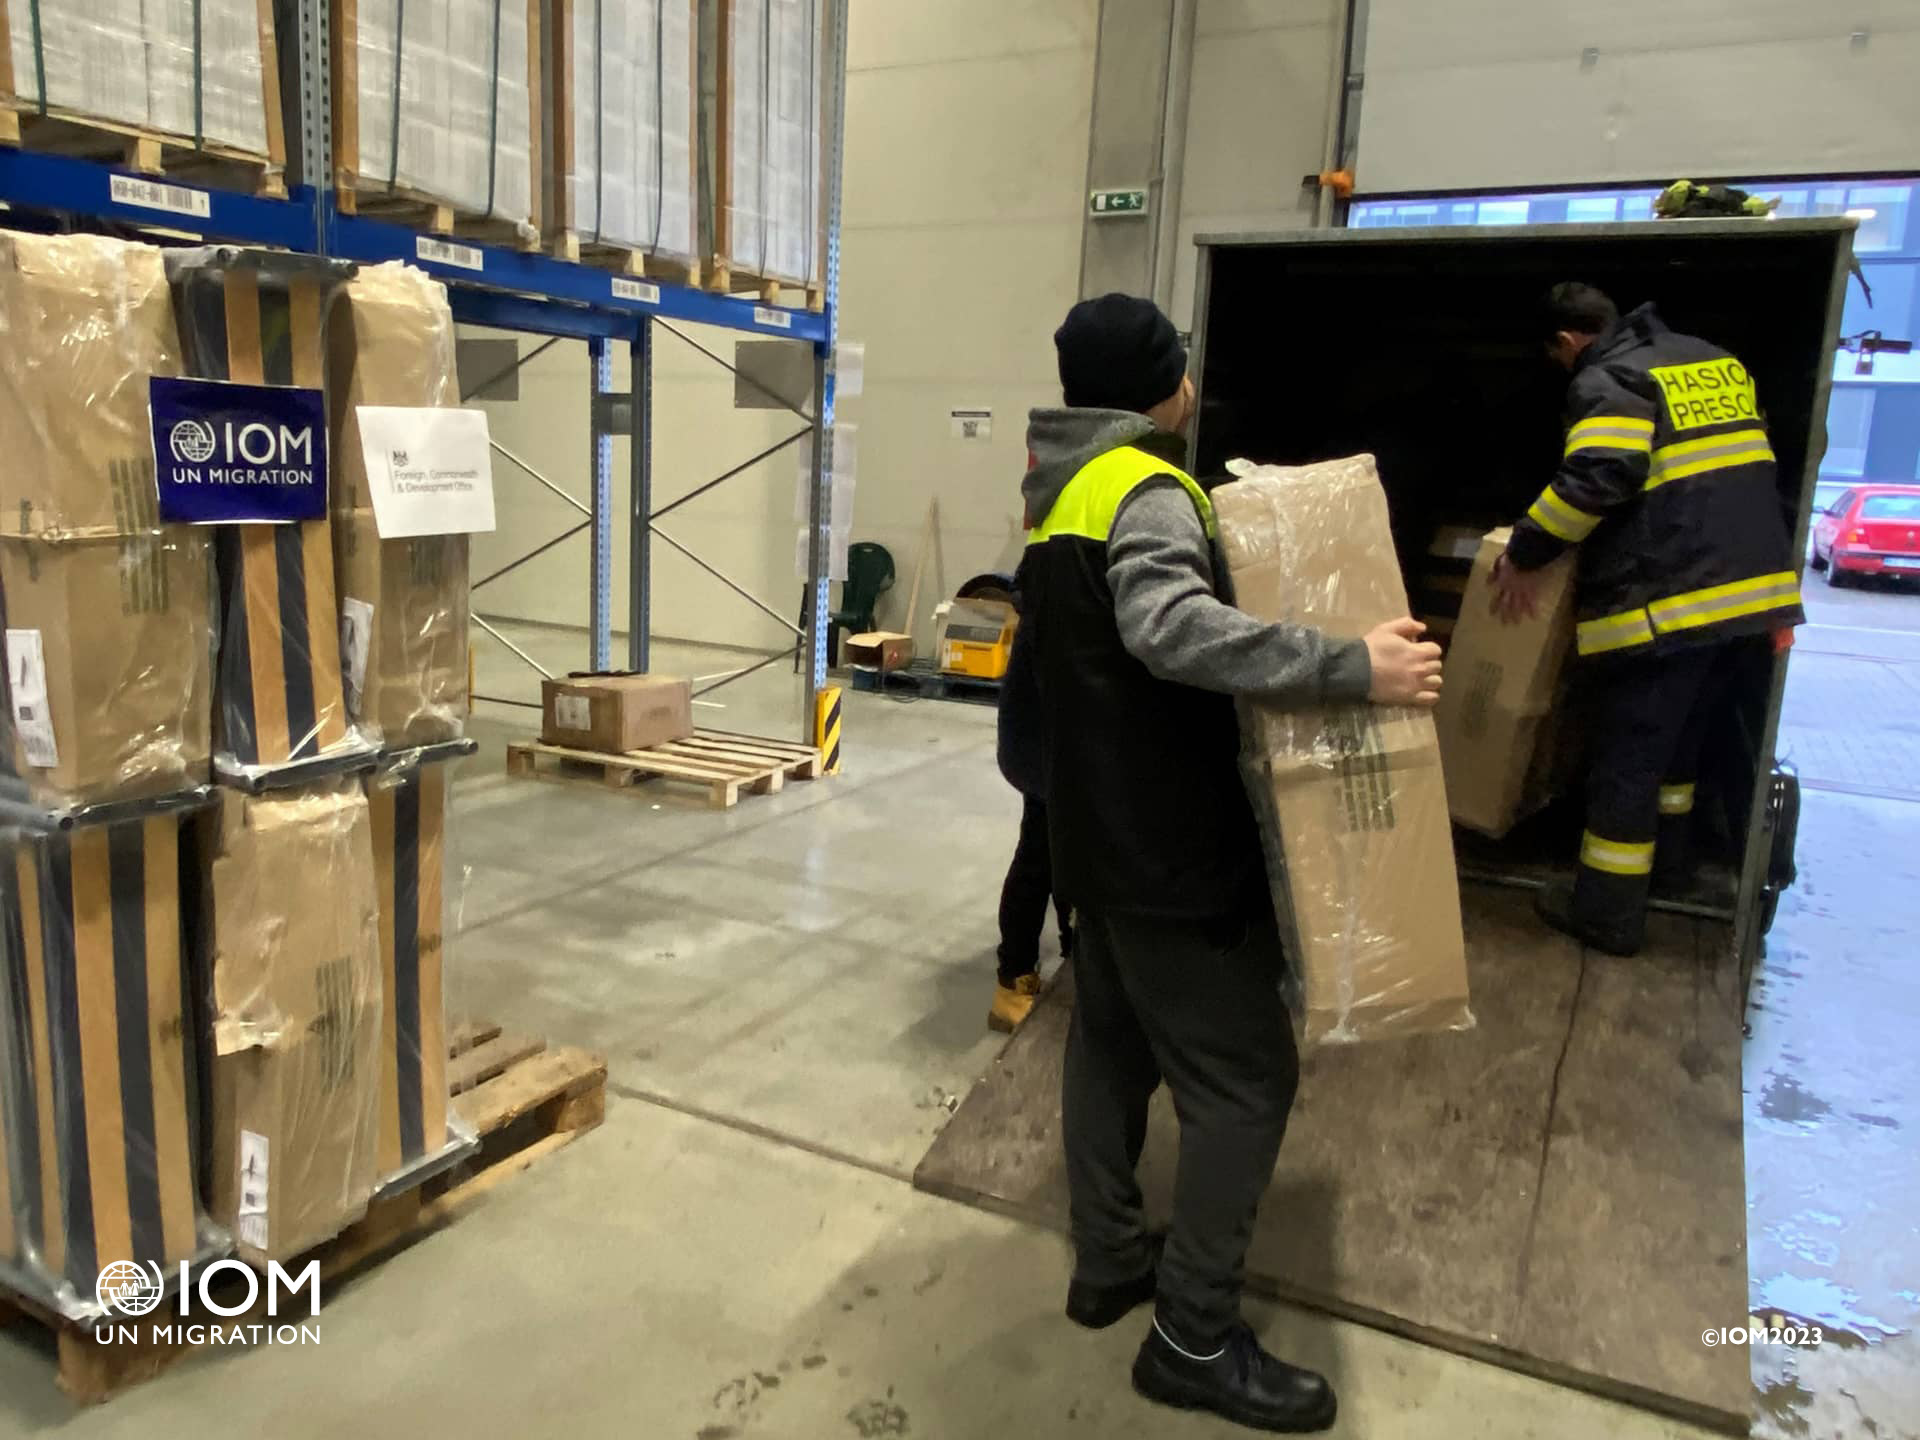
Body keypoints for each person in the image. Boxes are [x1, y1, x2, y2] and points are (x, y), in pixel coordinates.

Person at [1008, 292, 1442, 1433]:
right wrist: (1353, 665)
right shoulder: (1147, 486)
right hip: (1168, 849)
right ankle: (1193, 1337)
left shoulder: (1059, 492)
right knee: (1247, 1084)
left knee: (1110, 1047)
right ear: (1165, 382)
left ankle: (1109, 1261)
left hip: (1093, 840)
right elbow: (1166, 627)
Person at [1490, 283, 1804, 956]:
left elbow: (1599, 475)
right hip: (1750, 598)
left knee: (1627, 763)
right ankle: (1675, 868)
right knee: (1679, 752)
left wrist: (1524, 551)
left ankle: (1606, 913)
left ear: (1569, 342)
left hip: (1678, 598)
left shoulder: (1612, 377)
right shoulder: (1711, 360)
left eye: (1556, 357)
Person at [990, 615, 1072, 1031]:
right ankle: (1015, 980)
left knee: (1053, 851)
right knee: (1045, 855)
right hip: (1047, 738)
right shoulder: (1068, 571)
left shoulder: (1050, 566)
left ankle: (1051, 965)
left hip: (1046, 736)